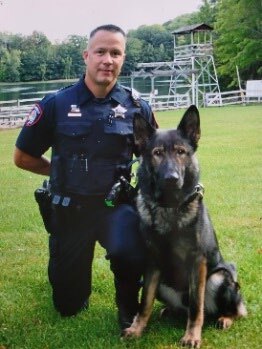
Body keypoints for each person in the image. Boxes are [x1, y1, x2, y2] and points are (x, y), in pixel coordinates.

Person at [14, 24, 158, 332]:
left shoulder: (137, 107)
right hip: (71, 211)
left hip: (114, 206)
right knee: (68, 305)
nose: (108, 59)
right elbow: (22, 157)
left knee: (130, 250)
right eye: (101, 52)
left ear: (123, 58)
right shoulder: (56, 104)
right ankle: (72, 287)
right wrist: (59, 171)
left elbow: (153, 157)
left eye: (115, 53)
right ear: (86, 56)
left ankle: (128, 307)